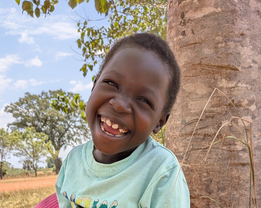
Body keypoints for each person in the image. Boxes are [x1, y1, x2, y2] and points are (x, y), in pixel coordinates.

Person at [55, 33, 190, 207]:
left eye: (144, 100)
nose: (120, 105)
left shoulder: (161, 171)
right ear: (94, 85)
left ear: (160, 121)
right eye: (111, 83)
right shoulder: (73, 161)